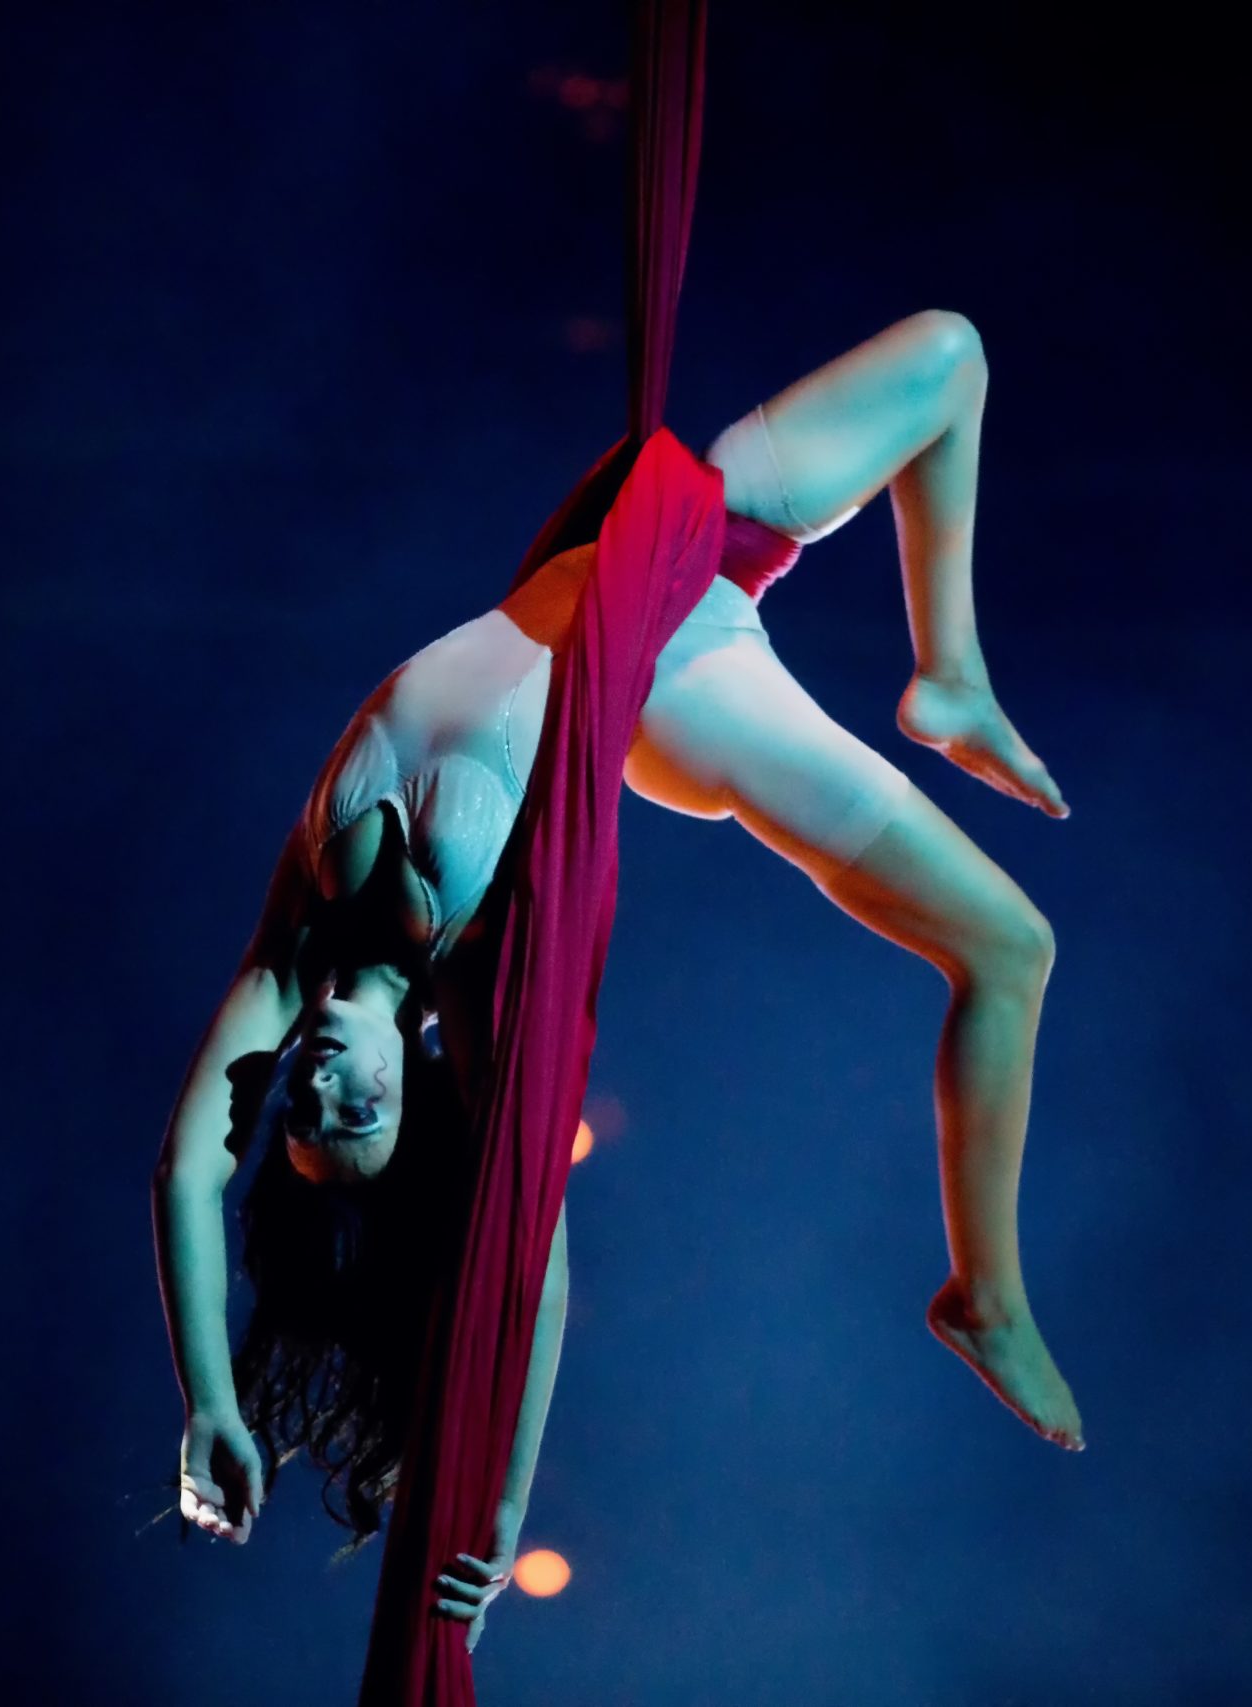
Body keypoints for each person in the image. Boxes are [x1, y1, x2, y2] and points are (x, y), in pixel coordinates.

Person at [151, 307, 1082, 1648]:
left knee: (951, 357)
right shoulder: (471, 989)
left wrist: (210, 1407)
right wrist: (499, 1516)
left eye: (300, 1122)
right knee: (1009, 948)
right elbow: (534, 1262)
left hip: (670, 554)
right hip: (669, 679)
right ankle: (982, 1294)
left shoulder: (296, 936)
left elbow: (187, 1167)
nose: (316, 1096)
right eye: (357, 1119)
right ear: (409, 1096)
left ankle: (952, 677)